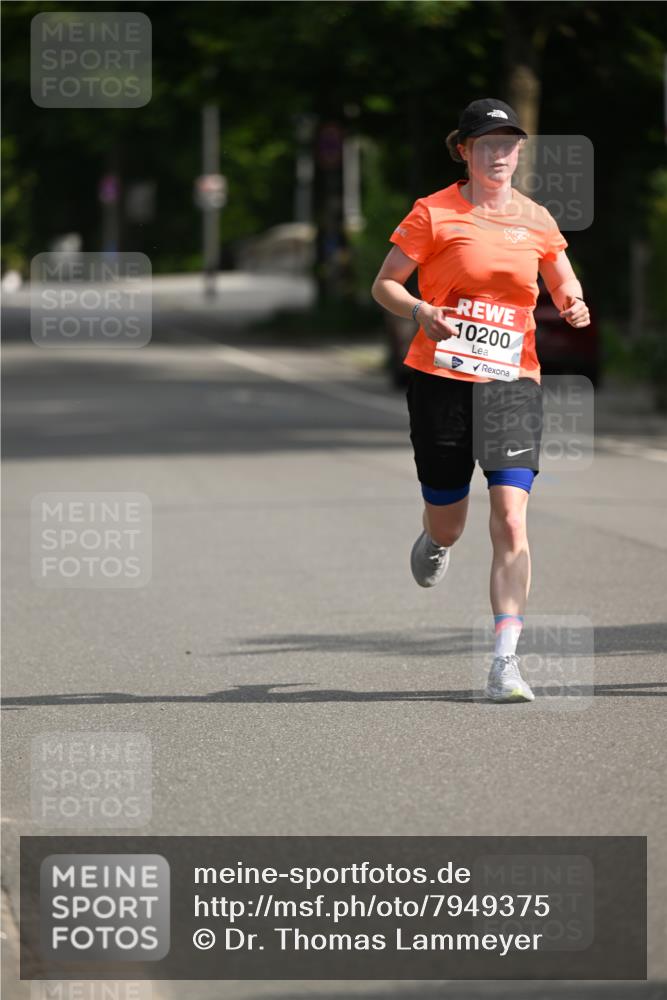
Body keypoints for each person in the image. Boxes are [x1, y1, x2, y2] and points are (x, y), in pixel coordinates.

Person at [371, 98, 590, 703]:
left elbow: (561, 275)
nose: (500, 155)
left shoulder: (536, 217)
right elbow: (385, 283)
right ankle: (437, 540)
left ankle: (504, 662)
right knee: (450, 514)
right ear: (464, 151)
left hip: (512, 383)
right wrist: (421, 309)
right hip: (440, 378)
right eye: (488, 145)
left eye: (510, 144)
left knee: (512, 519)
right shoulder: (433, 213)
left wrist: (573, 301)